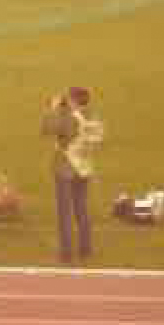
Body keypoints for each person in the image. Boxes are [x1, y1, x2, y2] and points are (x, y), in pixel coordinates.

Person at [41, 86, 103, 264]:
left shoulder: (70, 119)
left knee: (65, 212)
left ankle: (66, 252)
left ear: (74, 100)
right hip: (85, 166)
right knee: (81, 208)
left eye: (68, 98)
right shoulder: (92, 117)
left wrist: (53, 109)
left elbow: (47, 129)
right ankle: (85, 248)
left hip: (66, 165)